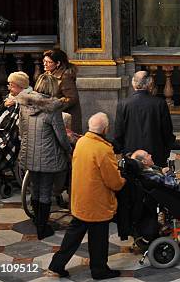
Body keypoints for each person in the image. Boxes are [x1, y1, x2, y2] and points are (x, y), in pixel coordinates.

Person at [48, 113, 126, 280]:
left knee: (72, 236)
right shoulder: (104, 150)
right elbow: (114, 182)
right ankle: (99, 270)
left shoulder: (82, 142)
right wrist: (123, 179)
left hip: (80, 199)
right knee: (98, 239)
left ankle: (56, 265)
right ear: (106, 128)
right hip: (97, 203)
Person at [17, 74, 72, 239]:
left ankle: (36, 221)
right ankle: (43, 228)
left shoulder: (24, 104)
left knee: (35, 188)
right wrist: (69, 150)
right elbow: (61, 137)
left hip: (29, 153)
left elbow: (21, 130)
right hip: (48, 156)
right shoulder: (52, 109)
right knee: (45, 191)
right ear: (52, 88)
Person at [113, 71, 176, 167]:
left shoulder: (123, 104)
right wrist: (166, 151)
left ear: (133, 83)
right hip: (155, 155)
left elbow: (118, 132)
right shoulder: (159, 103)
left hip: (131, 155)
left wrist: (119, 151)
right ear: (150, 84)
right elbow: (167, 131)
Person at [42, 48, 82, 133]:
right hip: (54, 115)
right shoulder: (48, 74)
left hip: (65, 117)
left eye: (49, 62)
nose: (45, 64)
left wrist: (54, 105)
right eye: (44, 61)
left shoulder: (65, 77)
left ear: (58, 63)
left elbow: (72, 98)